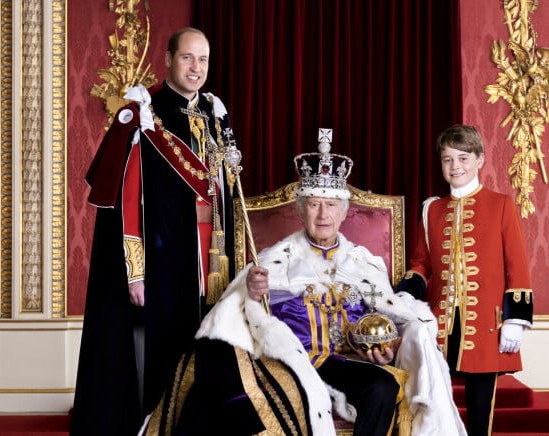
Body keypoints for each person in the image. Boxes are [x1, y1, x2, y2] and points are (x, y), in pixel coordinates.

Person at [141, 129, 467, 436]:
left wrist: (388, 347)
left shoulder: (364, 262)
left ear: (343, 213)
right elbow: (246, 309)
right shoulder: (277, 257)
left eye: (330, 206)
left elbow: (388, 315)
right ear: (301, 210)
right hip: (293, 361)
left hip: (342, 362)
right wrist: (253, 292)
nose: (322, 214)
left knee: (383, 387)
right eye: (313, 204)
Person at [70, 27, 239, 436]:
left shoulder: (216, 114)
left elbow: (227, 197)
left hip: (212, 255)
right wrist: (136, 270)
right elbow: (128, 200)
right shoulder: (144, 111)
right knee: (168, 356)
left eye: (203, 60)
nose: (196, 68)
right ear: (167, 59)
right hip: (164, 257)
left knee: (212, 351)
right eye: (187, 58)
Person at [396, 124, 534, 436]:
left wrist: (516, 320)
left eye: (463, 158)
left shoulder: (501, 204)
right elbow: (421, 262)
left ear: (480, 160)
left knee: (480, 408)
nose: (455, 166)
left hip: (486, 324)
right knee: (435, 406)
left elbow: (517, 265)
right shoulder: (433, 209)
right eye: (447, 160)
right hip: (441, 325)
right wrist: (408, 291)